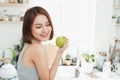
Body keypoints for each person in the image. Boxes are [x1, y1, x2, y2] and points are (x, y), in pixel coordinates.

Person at [17, 6, 68, 80]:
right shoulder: (37, 48)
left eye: (47, 24)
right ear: (29, 29)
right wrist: (59, 54)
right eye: (38, 27)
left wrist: (59, 52)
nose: (45, 30)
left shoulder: (29, 46)